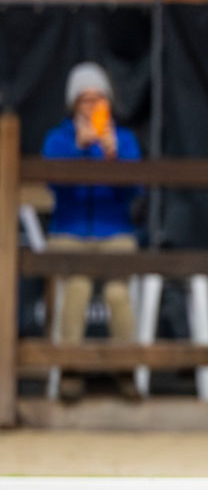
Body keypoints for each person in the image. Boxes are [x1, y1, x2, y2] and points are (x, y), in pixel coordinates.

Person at [42, 62, 144, 401]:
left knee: (117, 293)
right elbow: (55, 184)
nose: (93, 105)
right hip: (69, 232)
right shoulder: (58, 139)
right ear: (74, 104)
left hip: (114, 232)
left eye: (99, 98)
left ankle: (126, 370)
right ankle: (70, 370)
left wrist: (113, 157)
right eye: (85, 99)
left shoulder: (125, 140)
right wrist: (80, 149)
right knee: (77, 287)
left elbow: (134, 192)